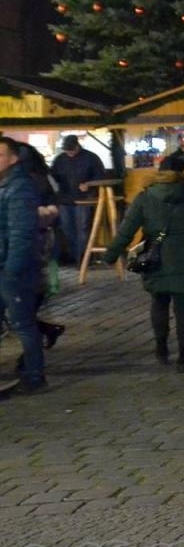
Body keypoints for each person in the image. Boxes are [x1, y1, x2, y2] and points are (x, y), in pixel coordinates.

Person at [103, 155, 184, 372]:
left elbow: (127, 230)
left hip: (155, 258)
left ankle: (161, 349)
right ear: (183, 172)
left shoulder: (145, 197)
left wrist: (111, 254)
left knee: (159, 303)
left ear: (159, 171)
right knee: (183, 308)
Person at [0, 138, 48, 396]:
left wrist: (12, 270)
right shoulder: (5, 185)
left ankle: (34, 376)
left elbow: (21, 234)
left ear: (13, 159)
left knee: (23, 324)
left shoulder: (19, 187)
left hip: (12, 269)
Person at [14, 145, 69, 350]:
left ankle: (32, 357)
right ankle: (44, 333)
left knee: (20, 307)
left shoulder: (28, 182)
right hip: (38, 243)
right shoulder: (41, 178)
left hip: (30, 245)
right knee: (22, 307)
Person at [49, 134, 105, 266]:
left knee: (82, 229)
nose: (69, 153)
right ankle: (76, 257)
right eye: (67, 150)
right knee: (68, 229)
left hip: (84, 199)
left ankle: (83, 259)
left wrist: (89, 185)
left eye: (71, 150)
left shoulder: (91, 158)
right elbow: (53, 176)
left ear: (77, 146)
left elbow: (100, 176)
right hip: (65, 199)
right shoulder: (60, 159)